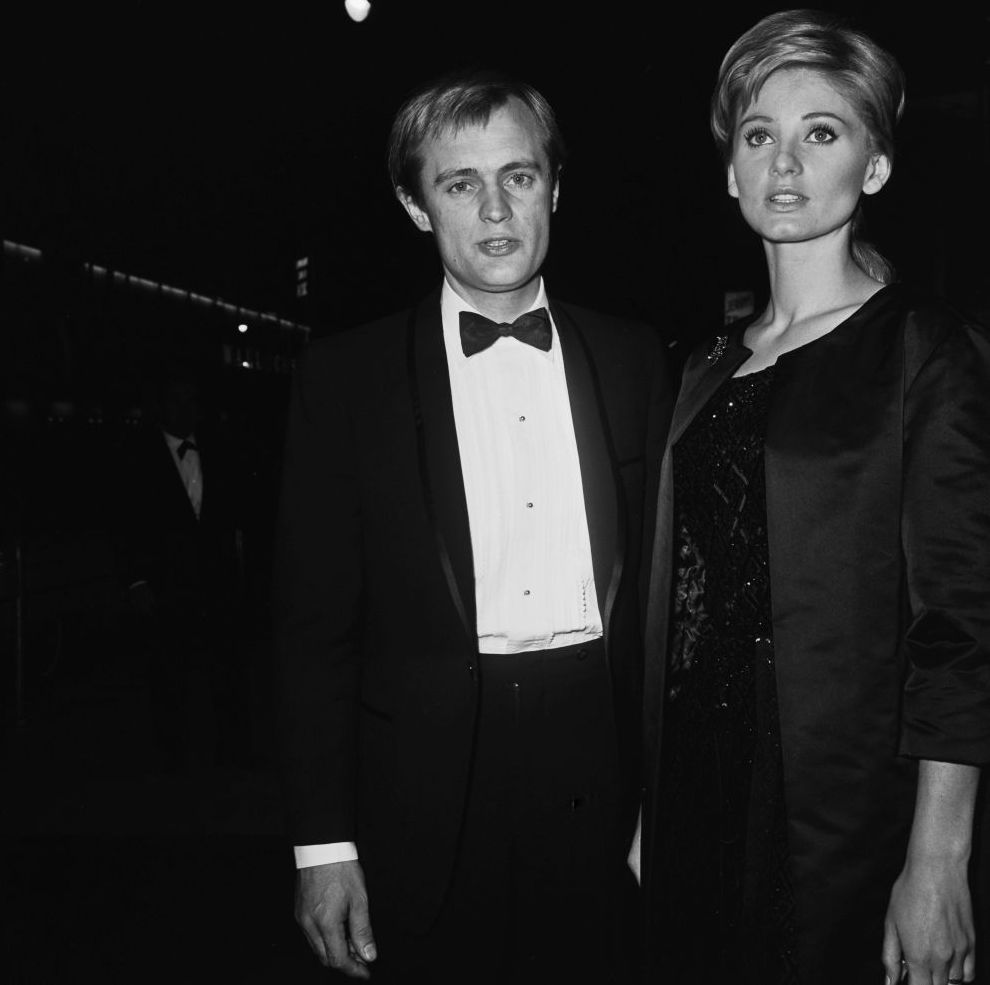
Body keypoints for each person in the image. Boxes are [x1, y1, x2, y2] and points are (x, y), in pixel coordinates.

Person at [274, 70, 671, 983]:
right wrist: (321, 845)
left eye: (519, 176)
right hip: (420, 779)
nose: (495, 207)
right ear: (418, 207)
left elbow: (665, 603)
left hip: (596, 764)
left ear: (556, 189)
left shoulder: (636, 359)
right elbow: (311, 633)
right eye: (460, 183)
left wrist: (660, 798)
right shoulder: (345, 381)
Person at [632, 10, 990, 985]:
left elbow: (958, 628)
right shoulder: (705, 363)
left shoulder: (925, 352)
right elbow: (675, 597)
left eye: (821, 132)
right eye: (758, 136)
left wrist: (938, 859)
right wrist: (646, 806)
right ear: (729, 170)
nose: (784, 161)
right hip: (695, 784)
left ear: (873, 166)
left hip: (836, 799)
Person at [118, 370, 250, 773]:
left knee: (225, 669)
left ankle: (232, 752)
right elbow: (124, 524)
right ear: (162, 406)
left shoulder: (218, 450)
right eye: (177, 400)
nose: (186, 409)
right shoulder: (138, 457)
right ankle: (172, 757)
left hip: (216, 583)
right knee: (170, 673)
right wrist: (137, 581)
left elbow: (232, 515)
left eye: (192, 401)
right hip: (167, 586)